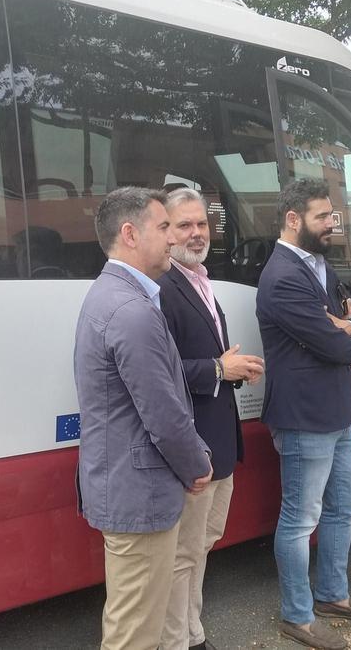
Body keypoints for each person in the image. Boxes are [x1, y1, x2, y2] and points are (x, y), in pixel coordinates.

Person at [73, 186, 213, 650]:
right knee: (136, 633)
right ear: (130, 234)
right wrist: (197, 466)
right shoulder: (132, 310)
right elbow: (164, 413)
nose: (173, 239)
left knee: (131, 621)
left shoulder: (112, 295)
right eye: (164, 227)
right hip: (141, 494)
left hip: (126, 486)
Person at [256, 178, 351, 650]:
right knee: (299, 518)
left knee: (347, 502)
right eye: (323, 217)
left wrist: (348, 322)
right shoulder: (283, 277)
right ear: (294, 220)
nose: (333, 224)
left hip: (336, 411)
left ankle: (332, 595)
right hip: (304, 416)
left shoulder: (319, 266)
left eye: (333, 216)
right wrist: (346, 327)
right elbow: (336, 345)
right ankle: (297, 616)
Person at [156, 188, 265, 650]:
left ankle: (192, 631)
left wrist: (231, 370)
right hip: (192, 446)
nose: (196, 233)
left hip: (218, 440)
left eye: (202, 223)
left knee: (203, 543)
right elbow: (156, 373)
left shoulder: (199, 278)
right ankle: (178, 641)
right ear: (165, 231)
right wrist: (221, 369)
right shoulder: (162, 287)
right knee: (183, 553)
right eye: (184, 225)